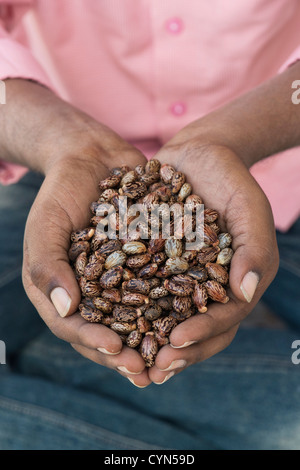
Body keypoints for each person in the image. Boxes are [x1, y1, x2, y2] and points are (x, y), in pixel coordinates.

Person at [0, 0, 299, 450]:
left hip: (281, 170)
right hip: (63, 173)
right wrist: (60, 138)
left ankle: (46, 364)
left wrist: (235, 136)